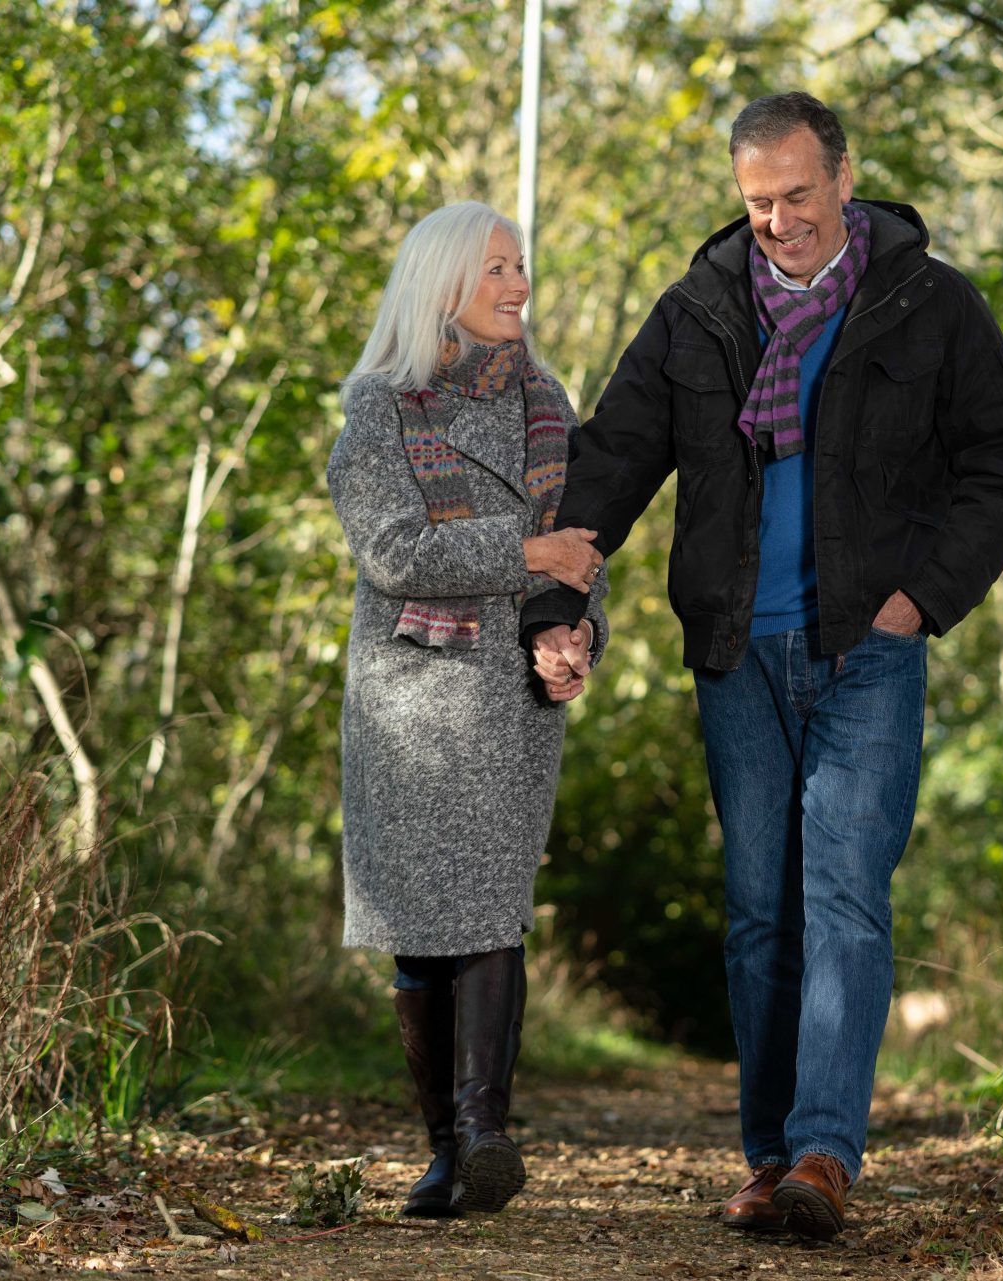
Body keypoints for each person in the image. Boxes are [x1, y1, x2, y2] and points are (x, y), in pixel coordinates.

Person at [523, 92, 1003, 1241]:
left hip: (870, 645)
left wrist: (923, 600)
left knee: (847, 898)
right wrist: (560, 596)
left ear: (845, 178)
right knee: (761, 912)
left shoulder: (928, 304)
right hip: (735, 646)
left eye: (798, 195)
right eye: (758, 202)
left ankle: (823, 1153)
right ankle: (768, 1158)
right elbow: (613, 457)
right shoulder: (699, 311)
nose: (778, 221)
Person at [328, 201, 604, 1218]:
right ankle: (445, 1148)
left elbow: (580, 542)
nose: (517, 283)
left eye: (520, 263)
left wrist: (575, 634)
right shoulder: (379, 406)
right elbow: (394, 552)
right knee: (420, 927)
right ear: (441, 283)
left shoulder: (547, 400)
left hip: (510, 696)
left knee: (490, 909)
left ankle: (485, 1132)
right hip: (409, 700)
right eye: (495, 268)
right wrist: (527, 555)